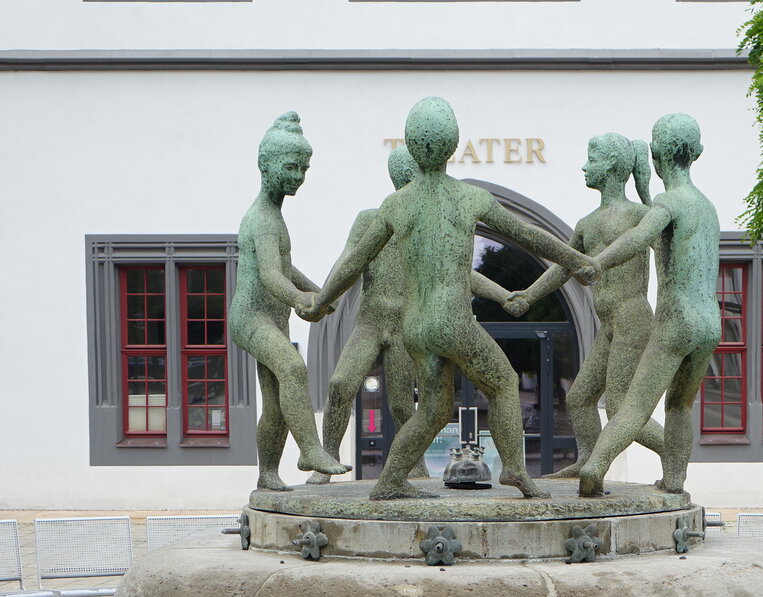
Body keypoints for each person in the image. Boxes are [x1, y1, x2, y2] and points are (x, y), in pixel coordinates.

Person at [312, 97, 598, 500]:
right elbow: (528, 235)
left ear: (411, 145)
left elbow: (351, 262)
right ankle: (515, 469)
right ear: (454, 144)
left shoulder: (396, 205)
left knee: (432, 409)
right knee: (502, 382)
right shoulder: (468, 197)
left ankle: (391, 479)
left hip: (415, 328)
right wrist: (576, 259)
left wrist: (319, 301)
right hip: (451, 321)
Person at [308, 146, 511, 484]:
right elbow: (349, 262)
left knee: (403, 406)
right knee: (340, 384)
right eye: (402, 178)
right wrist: (325, 298)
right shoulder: (371, 218)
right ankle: (326, 460)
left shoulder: (423, 223)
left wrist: (502, 294)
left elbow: (462, 272)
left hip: (405, 326)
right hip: (371, 323)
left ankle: (412, 470)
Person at [576, 113, 720, 502]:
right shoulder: (705, 206)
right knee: (679, 405)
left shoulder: (667, 202)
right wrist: (643, 193)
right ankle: (674, 480)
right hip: (710, 322)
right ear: (697, 154)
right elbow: (664, 238)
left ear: (655, 156)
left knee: (633, 405)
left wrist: (599, 262)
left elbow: (639, 237)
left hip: (677, 320)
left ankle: (594, 467)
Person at [505, 132, 664, 478]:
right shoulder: (587, 224)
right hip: (609, 324)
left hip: (633, 317)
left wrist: (647, 193)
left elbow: (666, 253)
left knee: (622, 407)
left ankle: (672, 451)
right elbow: (564, 267)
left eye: (591, 159)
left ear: (609, 167)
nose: (583, 167)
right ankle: (587, 462)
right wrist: (529, 295)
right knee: (579, 398)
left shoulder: (639, 215)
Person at [229, 112, 350, 491]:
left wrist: (319, 292)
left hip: (272, 317)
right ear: (266, 165)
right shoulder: (262, 219)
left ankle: (266, 473)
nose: (298, 176)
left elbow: (285, 266)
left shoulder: (274, 216)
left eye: (304, 168)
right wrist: (302, 300)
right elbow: (270, 276)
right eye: (291, 166)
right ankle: (310, 449)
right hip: (252, 318)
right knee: (294, 368)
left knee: (278, 407)